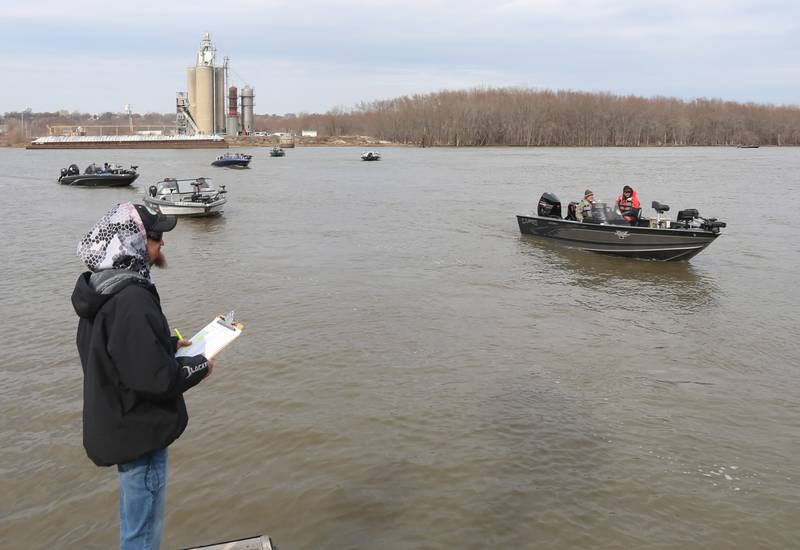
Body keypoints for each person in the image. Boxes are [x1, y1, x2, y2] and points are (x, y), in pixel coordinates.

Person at [71, 202, 213, 550]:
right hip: (140, 436)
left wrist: (167, 343)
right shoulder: (133, 297)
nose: (161, 244)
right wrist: (199, 365)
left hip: (120, 426)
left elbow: (113, 350)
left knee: (134, 524)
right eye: (155, 237)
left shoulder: (102, 287)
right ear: (131, 241)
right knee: (143, 534)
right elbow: (156, 379)